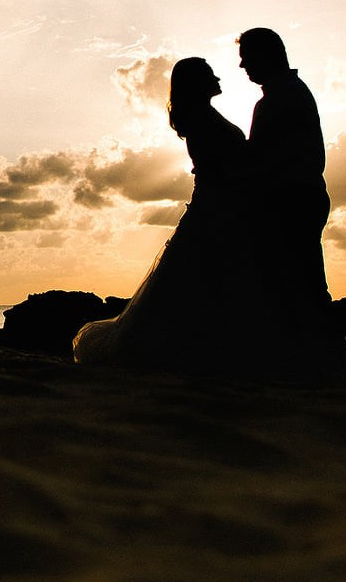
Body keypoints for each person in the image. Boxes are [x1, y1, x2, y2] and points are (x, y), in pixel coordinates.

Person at [73, 58, 259, 375]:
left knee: (196, 282)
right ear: (197, 83)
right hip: (215, 207)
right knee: (203, 280)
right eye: (208, 73)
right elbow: (222, 166)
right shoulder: (202, 118)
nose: (217, 76)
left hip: (220, 205)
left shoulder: (203, 116)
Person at [237, 27, 346, 386]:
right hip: (299, 198)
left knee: (301, 287)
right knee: (299, 285)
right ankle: (315, 367)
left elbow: (263, 161)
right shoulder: (287, 94)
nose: (242, 66)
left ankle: (324, 370)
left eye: (248, 57)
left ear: (268, 55)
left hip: (291, 201)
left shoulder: (280, 98)